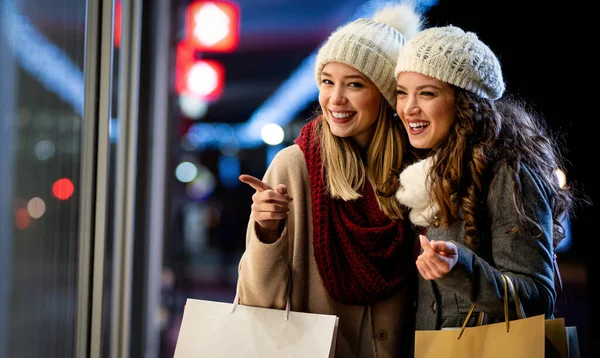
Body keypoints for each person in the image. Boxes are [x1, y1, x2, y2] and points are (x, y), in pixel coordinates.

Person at [235, 2, 423, 357]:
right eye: (327, 82)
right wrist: (267, 232)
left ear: (385, 94)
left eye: (353, 84)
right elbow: (257, 304)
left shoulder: (416, 172)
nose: (335, 99)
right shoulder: (295, 166)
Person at [393, 25, 575, 330]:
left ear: (465, 101)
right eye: (402, 93)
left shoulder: (508, 171)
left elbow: (538, 296)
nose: (409, 108)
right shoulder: (424, 170)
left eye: (427, 93)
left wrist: (462, 270)